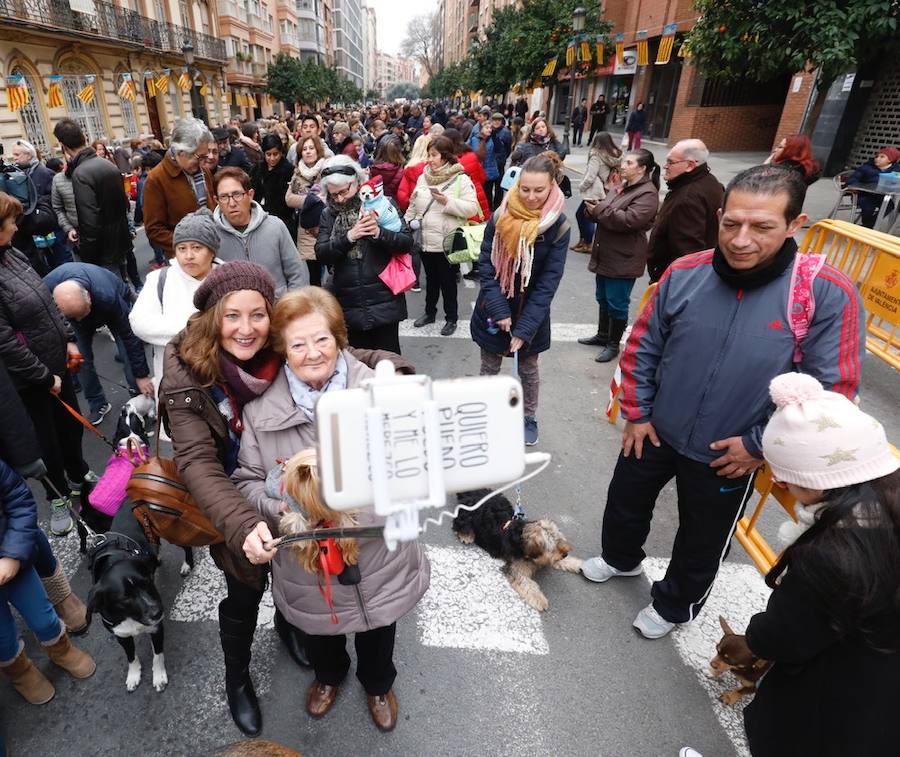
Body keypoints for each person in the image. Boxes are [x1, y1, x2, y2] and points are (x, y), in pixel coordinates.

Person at [580, 164, 866, 640]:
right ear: (719, 216)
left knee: (703, 536)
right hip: (655, 427)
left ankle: (675, 605)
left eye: (763, 227)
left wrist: (758, 445)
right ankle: (620, 558)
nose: (741, 239)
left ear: (796, 225)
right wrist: (637, 411)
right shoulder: (685, 271)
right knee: (626, 500)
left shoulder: (824, 292)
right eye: (731, 224)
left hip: (733, 450)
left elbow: (832, 391)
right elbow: (644, 344)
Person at [233, 288, 430, 732]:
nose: (311, 353)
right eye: (297, 344)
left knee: (380, 627)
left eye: (321, 339)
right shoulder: (263, 411)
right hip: (307, 561)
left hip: (377, 552)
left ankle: (378, 683)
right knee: (318, 630)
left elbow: (418, 465)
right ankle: (329, 677)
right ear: (283, 349)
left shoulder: (382, 392)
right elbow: (245, 480)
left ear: (339, 338)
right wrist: (285, 502)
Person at [161, 262, 307, 737]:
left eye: (258, 315)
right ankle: (237, 677)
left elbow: (330, 349)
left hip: (290, 491)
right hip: (232, 503)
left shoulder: (280, 350)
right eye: (233, 316)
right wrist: (243, 526)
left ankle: (288, 625)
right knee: (243, 591)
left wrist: (394, 368)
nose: (246, 329)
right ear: (212, 319)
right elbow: (197, 462)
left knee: (291, 567)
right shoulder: (187, 374)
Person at [739, 372, 900, 756]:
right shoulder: (886, 513)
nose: (782, 485)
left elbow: (779, 638)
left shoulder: (831, 555)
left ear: (814, 482)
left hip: (830, 707)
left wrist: (756, 630)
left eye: (786, 479)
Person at [0, 192, 92, 536]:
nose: (16, 225)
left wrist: (68, 338)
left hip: (57, 364)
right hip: (29, 381)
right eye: (10, 221)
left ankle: (79, 471)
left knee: (71, 428)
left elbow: (48, 303)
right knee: (46, 443)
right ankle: (57, 498)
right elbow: (5, 342)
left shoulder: (14, 255)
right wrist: (43, 378)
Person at [470, 153, 569, 446]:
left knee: (528, 368)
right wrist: (500, 311)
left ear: (552, 186)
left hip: (531, 312)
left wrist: (525, 330)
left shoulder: (558, 226)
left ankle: (527, 416)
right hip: (493, 306)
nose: (531, 196)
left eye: (539, 190)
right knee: (489, 365)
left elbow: (548, 284)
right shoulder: (501, 216)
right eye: (525, 189)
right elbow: (486, 267)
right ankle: (484, 411)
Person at [0, 457, 96, 705]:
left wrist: (12, 554)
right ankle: (20, 673)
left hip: (14, 562)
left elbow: (19, 501)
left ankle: (61, 649)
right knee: (3, 639)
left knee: (44, 618)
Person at [315, 156, 414, 353]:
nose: (340, 199)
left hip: (384, 301)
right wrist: (349, 237)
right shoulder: (329, 214)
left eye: (344, 191)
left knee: (389, 366)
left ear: (358, 182)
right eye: (334, 195)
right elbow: (322, 253)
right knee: (359, 370)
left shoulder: (382, 205)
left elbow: (406, 243)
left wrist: (379, 233)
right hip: (348, 304)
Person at [44, 262, 154, 424]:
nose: (81, 319)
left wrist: (142, 375)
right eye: (76, 316)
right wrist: (68, 340)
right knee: (78, 359)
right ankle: (97, 403)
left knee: (126, 351)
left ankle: (139, 397)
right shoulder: (44, 291)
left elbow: (129, 337)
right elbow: (46, 322)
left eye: (82, 314)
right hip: (71, 317)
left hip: (110, 304)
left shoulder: (107, 296)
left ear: (88, 296)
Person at [130, 209, 221, 400]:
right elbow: (139, 322)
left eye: (196, 248)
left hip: (221, 376)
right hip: (175, 383)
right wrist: (198, 326)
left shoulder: (227, 277)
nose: (188, 256)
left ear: (212, 250)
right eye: (182, 248)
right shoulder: (159, 280)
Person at [582, 148, 660, 362]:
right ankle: (603, 335)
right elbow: (607, 210)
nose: (623, 166)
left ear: (642, 168)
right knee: (603, 298)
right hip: (607, 254)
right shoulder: (623, 187)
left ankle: (613, 344)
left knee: (617, 302)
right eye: (624, 162)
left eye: (629, 163)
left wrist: (598, 210)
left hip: (624, 258)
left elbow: (629, 220)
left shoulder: (647, 193)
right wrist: (594, 210)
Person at [404, 137, 480, 337]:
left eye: (434, 155)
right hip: (426, 240)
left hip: (448, 242)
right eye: (428, 155)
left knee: (447, 283)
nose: (429, 159)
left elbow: (472, 207)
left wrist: (447, 201)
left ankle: (451, 318)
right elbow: (414, 202)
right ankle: (429, 313)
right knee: (431, 280)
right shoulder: (423, 177)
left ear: (446, 156)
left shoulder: (460, 178)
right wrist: (407, 221)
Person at [52, 121, 134, 280]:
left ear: (63, 145)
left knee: (112, 294)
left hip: (102, 251)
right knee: (121, 285)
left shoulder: (81, 173)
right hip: (119, 242)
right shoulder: (108, 165)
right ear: (84, 137)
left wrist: (87, 256)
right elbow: (123, 205)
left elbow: (90, 222)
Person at [213, 168, 308, 297]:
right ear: (216, 200)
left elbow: (297, 273)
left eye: (237, 194)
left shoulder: (275, 226)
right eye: (224, 197)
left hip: (278, 308)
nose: (231, 203)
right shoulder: (213, 236)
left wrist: (291, 307)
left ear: (250, 195)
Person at [646, 139, 724, 283]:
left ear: (690, 165)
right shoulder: (709, 181)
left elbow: (687, 253)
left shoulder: (687, 198)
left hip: (674, 280)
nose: (665, 166)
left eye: (671, 162)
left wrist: (667, 281)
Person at [143, 117, 216, 259]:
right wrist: (189, 245)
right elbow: (154, 230)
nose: (204, 162)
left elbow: (212, 205)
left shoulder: (203, 171)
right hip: (184, 259)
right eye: (199, 157)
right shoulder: (156, 179)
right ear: (181, 152)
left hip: (211, 250)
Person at [285, 136, 327, 286]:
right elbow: (289, 199)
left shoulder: (327, 170)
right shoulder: (297, 173)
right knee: (314, 276)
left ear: (318, 150)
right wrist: (313, 199)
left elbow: (331, 198)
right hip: (306, 230)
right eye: (304, 149)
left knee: (333, 271)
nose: (308, 152)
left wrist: (307, 200)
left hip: (327, 226)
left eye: (311, 148)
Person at [571, 132, 621, 253]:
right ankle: (583, 241)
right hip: (606, 188)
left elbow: (590, 176)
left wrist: (582, 186)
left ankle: (587, 243)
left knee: (586, 216)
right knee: (582, 214)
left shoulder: (596, 155)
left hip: (594, 190)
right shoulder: (615, 155)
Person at [250, 135, 297, 242]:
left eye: (275, 154)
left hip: (282, 220)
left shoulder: (288, 170)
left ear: (281, 152)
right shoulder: (257, 168)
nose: (272, 158)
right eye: (268, 154)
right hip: (259, 218)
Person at [845, 146, 900, 228]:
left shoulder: (896, 170)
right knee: (868, 206)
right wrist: (854, 186)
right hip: (863, 194)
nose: (877, 158)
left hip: (881, 195)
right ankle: (867, 224)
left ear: (890, 160)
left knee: (889, 205)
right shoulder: (866, 168)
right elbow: (853, 178)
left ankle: (869, 224)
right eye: (877, 156)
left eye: (882, 157)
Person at [472, 120, 502, 212]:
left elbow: (499, 149)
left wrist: (495, 136)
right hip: (478, 170)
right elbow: (473, 153)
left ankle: (488, 212)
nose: (489, 130)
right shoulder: (475, 139)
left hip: (490, 171)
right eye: (487, 128)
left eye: (490, 128)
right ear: (481, 129)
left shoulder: (493, 139)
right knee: (478, 194)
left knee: (488, 194)